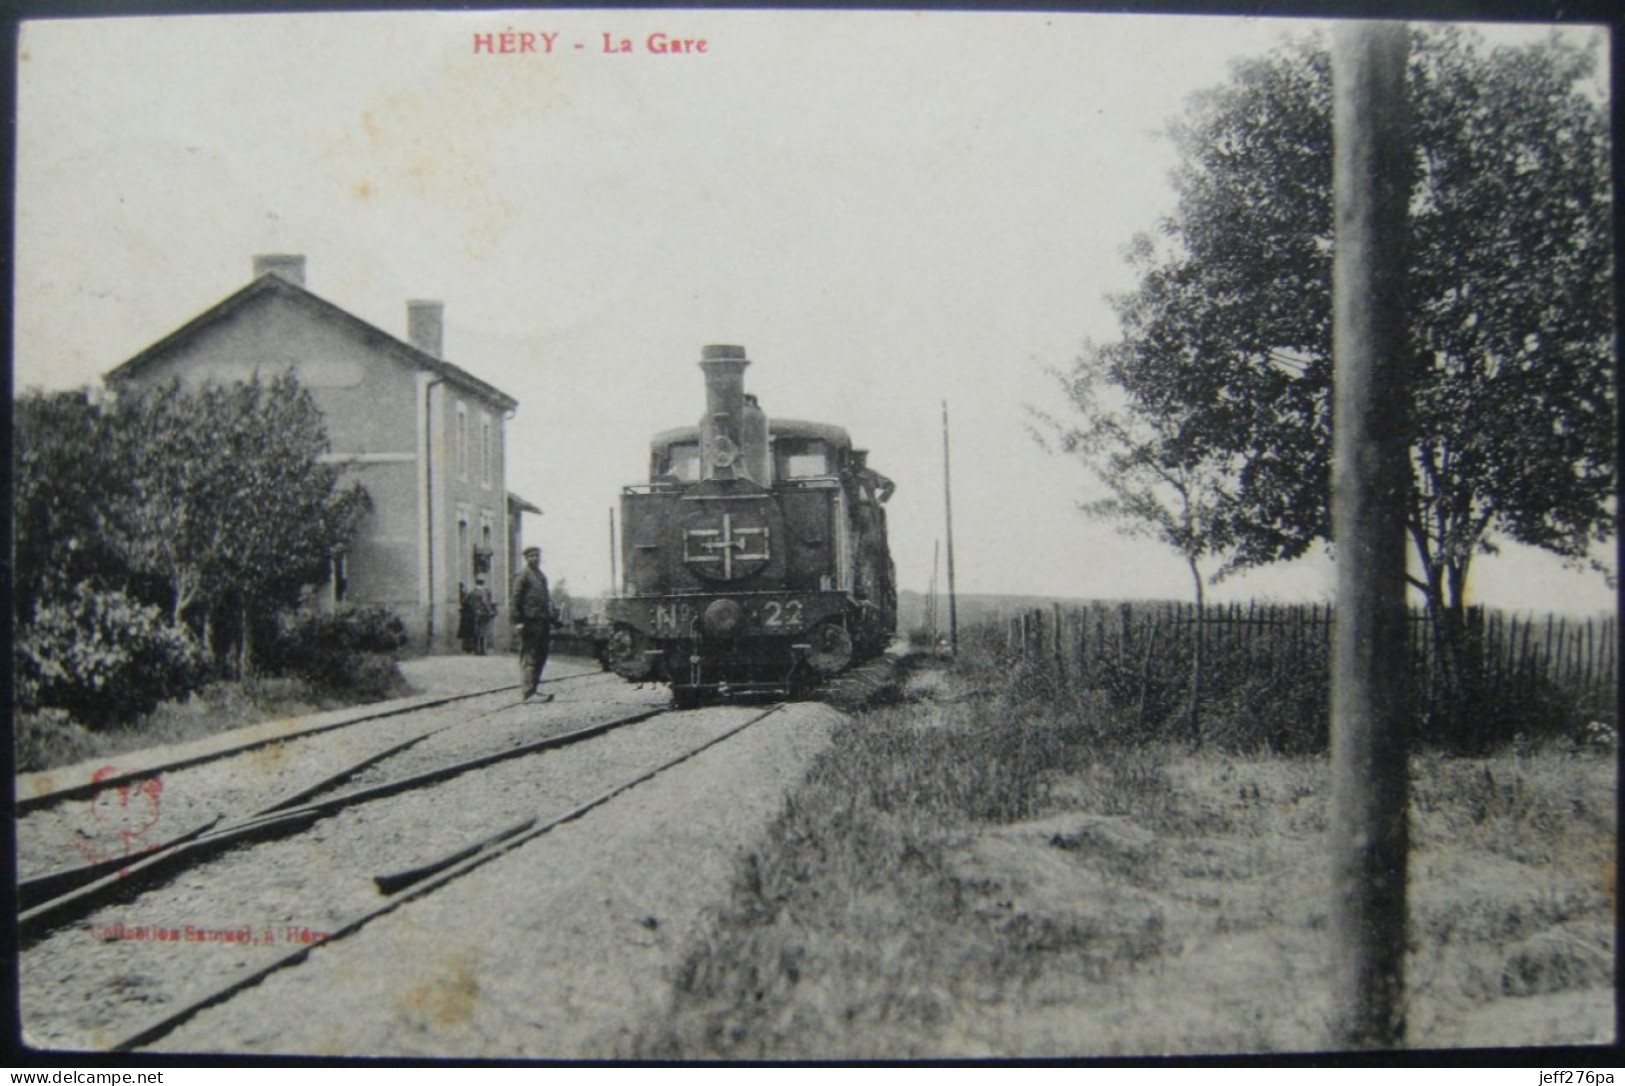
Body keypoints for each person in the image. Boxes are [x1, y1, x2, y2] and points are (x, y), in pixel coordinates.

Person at [510, 545, 556, 700]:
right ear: (526, 558)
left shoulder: (541, 576)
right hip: (529, 621)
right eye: (531, 556)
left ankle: (533, 688)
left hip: (542, 621)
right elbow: (515, 600)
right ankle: (528, 691)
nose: (534, 559)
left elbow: (545, 599)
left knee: (541, 655)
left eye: (536, 556)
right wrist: (518, 621)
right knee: (529, 655)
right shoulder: (523, 576)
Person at [468, 575, 496, 655]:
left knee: (476, 632)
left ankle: (477, 649)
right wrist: (490, 611)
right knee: (484, 632)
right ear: (483, 582)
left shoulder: (473, 592)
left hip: (475, 614)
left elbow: (467, 602)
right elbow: (486, 602)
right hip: (484, 614)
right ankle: (483, 650)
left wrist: (473, 609)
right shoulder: (485, 591)